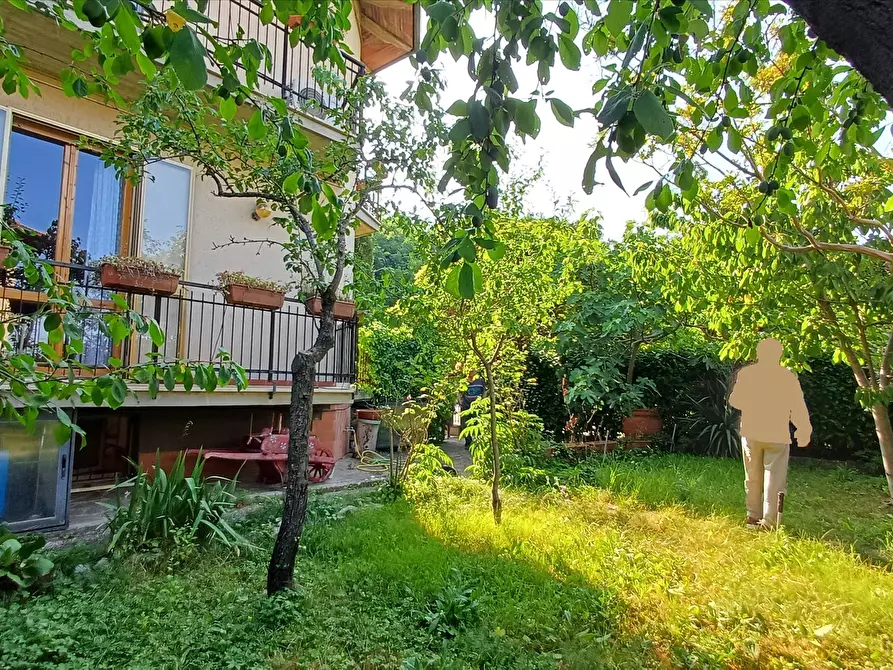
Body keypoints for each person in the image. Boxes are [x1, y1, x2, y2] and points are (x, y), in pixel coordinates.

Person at [729, 338, 811, 529]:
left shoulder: (747, 374)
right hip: (777, 432)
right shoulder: (788, 377)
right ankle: (770, 521)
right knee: (774, 478)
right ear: (779, 355)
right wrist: (803, 429)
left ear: (759, 354)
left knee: (752, 476)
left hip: (751, 430)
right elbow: (797, 406)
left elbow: (735, 401)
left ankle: (752, 516)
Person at [458, 370, 486, 448]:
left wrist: (483, 402)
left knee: (478, 424)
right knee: (465, 425)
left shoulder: (480, 380)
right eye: (469, 370)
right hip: (466, 406)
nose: (470, 372)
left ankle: (478, 442)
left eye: (473, 370)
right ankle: (468, 442)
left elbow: (484, 392)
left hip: (478, 406)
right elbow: (459, 392)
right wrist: (460, 402)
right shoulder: (464, 381)